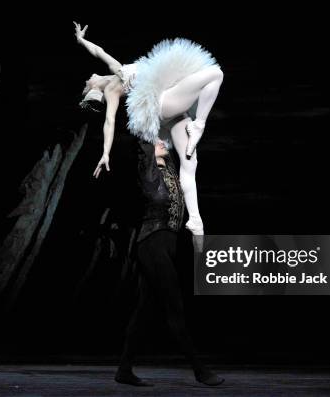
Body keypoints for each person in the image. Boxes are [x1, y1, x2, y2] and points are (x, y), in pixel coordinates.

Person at [75, 22, 224, 236]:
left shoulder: (115, 70)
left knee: (190, 162)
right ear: (92, 89)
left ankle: (195, 220)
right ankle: (198, 125)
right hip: (160, 103)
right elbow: (110, 121)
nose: (87, 79)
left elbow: (99, 51)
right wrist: (106, 153)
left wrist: (81, 40)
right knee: (215, 74)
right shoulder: (109, 89)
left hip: (164, 110)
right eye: (86, 84)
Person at [113, 137, 224, 387]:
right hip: (151, 242)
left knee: (143, 311)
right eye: (156, 141)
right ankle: (199, 369)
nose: (162, 142)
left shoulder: (171, 169)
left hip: (167, 245)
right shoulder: (147, 169)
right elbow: (143, 136)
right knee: (174, 307)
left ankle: (124, 370)